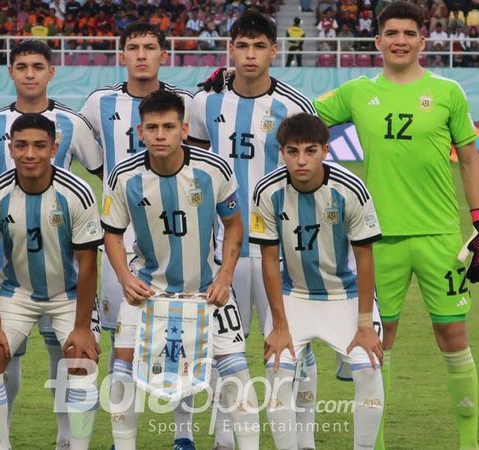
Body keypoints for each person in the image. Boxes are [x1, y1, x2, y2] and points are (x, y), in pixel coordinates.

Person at [314, 2, 479, 448]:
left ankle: (468, 444)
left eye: (408, 33)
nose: (400, 40)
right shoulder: (357, 92)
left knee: (453, 335)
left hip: (438, 238)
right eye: (391, 32)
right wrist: (243, 83)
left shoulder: (448, 91)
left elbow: (470, 160)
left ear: (421, 40)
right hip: (377, 240)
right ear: (377, 41)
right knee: (378, 343)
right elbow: (302, 116)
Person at [0, 39, 102, 450]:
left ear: (55, 148)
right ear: (10, 148)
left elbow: (89, 263)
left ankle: (73, 444)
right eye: (21, 146)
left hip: (67, 289)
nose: (30, 153)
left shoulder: (78, 191)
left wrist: (81, 324)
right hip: (12, 284)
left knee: (79, 357)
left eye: (39, 146)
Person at [188, 11, 322, 449]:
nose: (250, 55)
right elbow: (195, 174)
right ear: (231, 50)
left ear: (274, 50)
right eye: (242, 46)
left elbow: (309, 177)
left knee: (292, 348)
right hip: (220, 252)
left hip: (278, 253)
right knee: (225, 351)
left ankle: (302, 440)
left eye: (259, 46)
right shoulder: (204, 103)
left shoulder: (294, 106)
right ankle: (226, 439)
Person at [102, 89, 260, 450]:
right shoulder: (124, 176)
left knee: (236, 370)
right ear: (140, 132)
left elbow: (234, 224)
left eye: (169, 126)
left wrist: (225, 277)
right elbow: (111, 234)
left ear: (184, 129)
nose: (160, 134)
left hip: (206, 289)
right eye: (152, 127)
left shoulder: (213, 169)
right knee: (123, 368)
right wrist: (126, 279)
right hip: (147, 291)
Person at [78, 21, 197, 450]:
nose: (142, 54)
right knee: (120, 335)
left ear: (164, 54)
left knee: (179, 333)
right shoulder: (98, 103)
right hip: (119, 233)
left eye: (150, 47)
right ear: (121, 55)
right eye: (134, 47)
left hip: (175, 232)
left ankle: (183, 435)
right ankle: (121, 436)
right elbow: (85, 153)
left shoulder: (185, 103)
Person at [251, 113, 384, 450]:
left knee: (367, 367)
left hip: (346, 295)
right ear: (281, 152)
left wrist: (365, 325)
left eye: (310, 151)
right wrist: (279, 325)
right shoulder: (266, 191)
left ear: (326, 150)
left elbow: (365, 257)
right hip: (294, 294)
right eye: (293, 151)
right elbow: (269, 260)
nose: (301, 160)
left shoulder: (350, 188)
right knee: (277, 368)